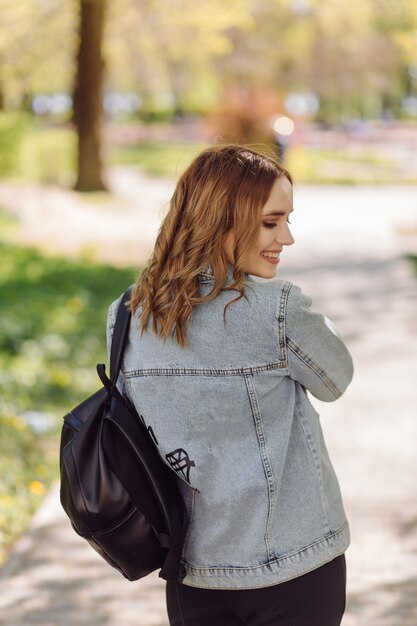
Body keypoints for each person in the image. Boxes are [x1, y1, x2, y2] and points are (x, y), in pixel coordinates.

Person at [106, 144, 354, 626]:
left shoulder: (127, 314)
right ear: (222, 221)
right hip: (292, 564)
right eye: (270, 222)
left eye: (287, 219)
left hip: (191, 570)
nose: (287, 237)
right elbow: (336, 378)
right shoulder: (276, 309)